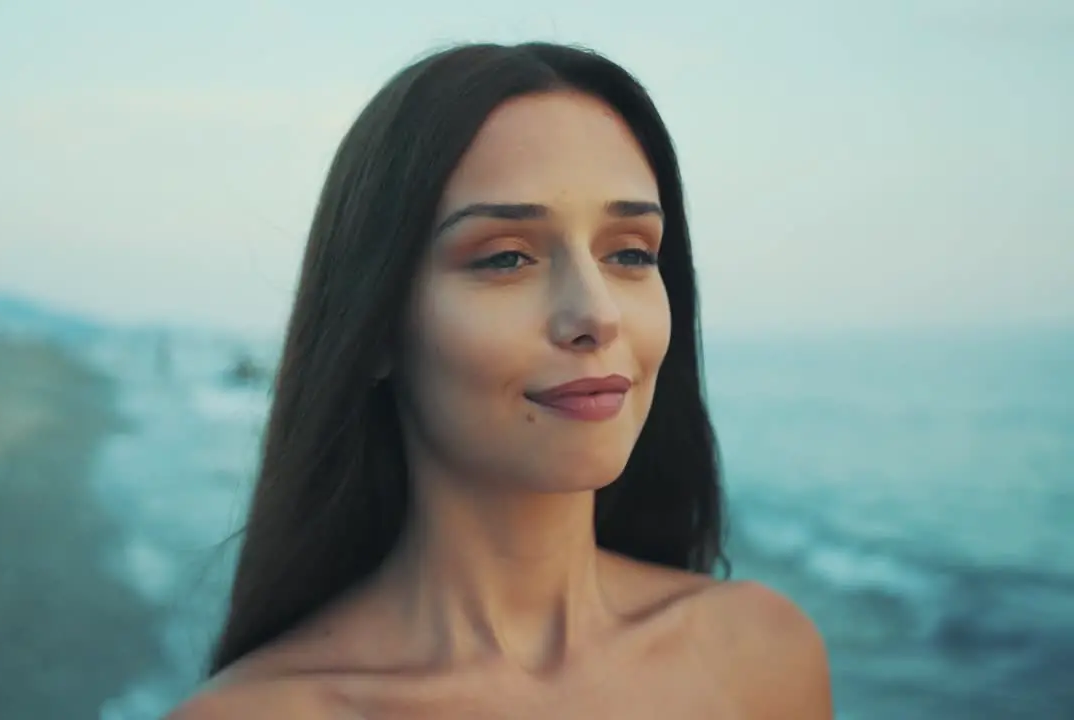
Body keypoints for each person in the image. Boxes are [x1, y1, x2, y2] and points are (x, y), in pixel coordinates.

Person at [169, 42, 832, 719]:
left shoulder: (762, 656)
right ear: (374, 325)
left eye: (631, 252)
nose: (597, 314)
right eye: (506, 258)